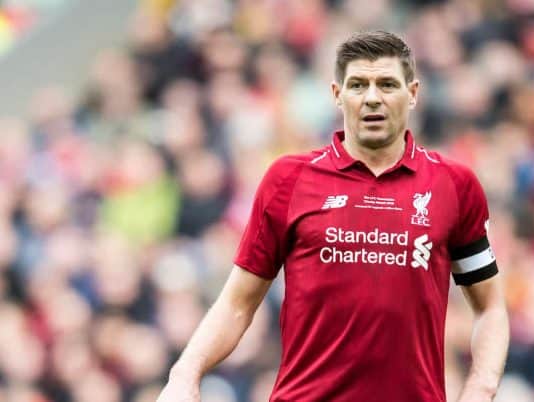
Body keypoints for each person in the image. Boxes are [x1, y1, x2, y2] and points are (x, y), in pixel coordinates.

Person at [157, 30, 509, 402]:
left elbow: (489, 307)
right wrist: (185, 374)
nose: (372, 98)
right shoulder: (288, 180)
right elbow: (237, 304)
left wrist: (481, 389)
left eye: (387, 84)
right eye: (358, 85)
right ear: (337, 95)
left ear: (413, 94)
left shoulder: (454, 185)